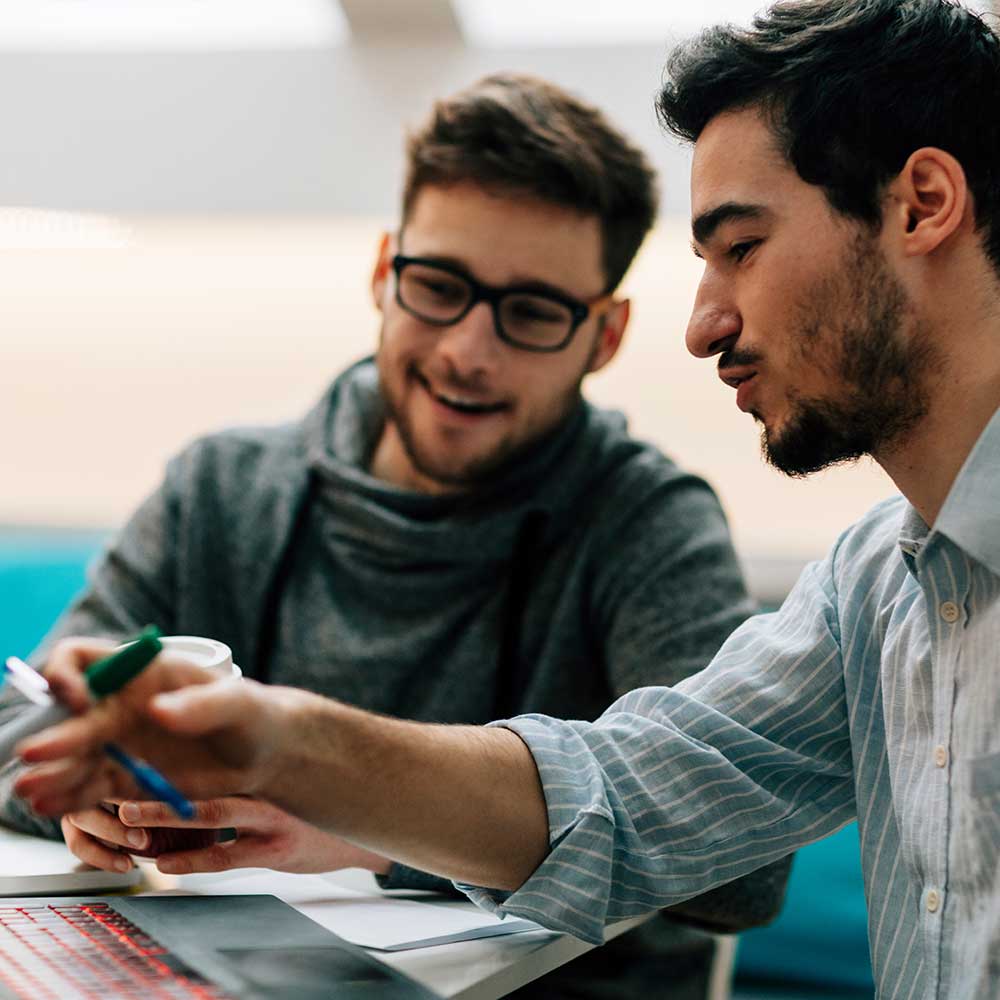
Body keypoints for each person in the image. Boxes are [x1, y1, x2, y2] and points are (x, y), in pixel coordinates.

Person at [0, 74, 788, 999]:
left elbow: (741, 864)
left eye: (531, 312)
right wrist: (82, 793)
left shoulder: (646, 524)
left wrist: (369, 830)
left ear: (604, 335)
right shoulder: (222, 489)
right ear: (384, 273)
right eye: (439, 287)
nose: (467, 349)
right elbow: (25, 723)